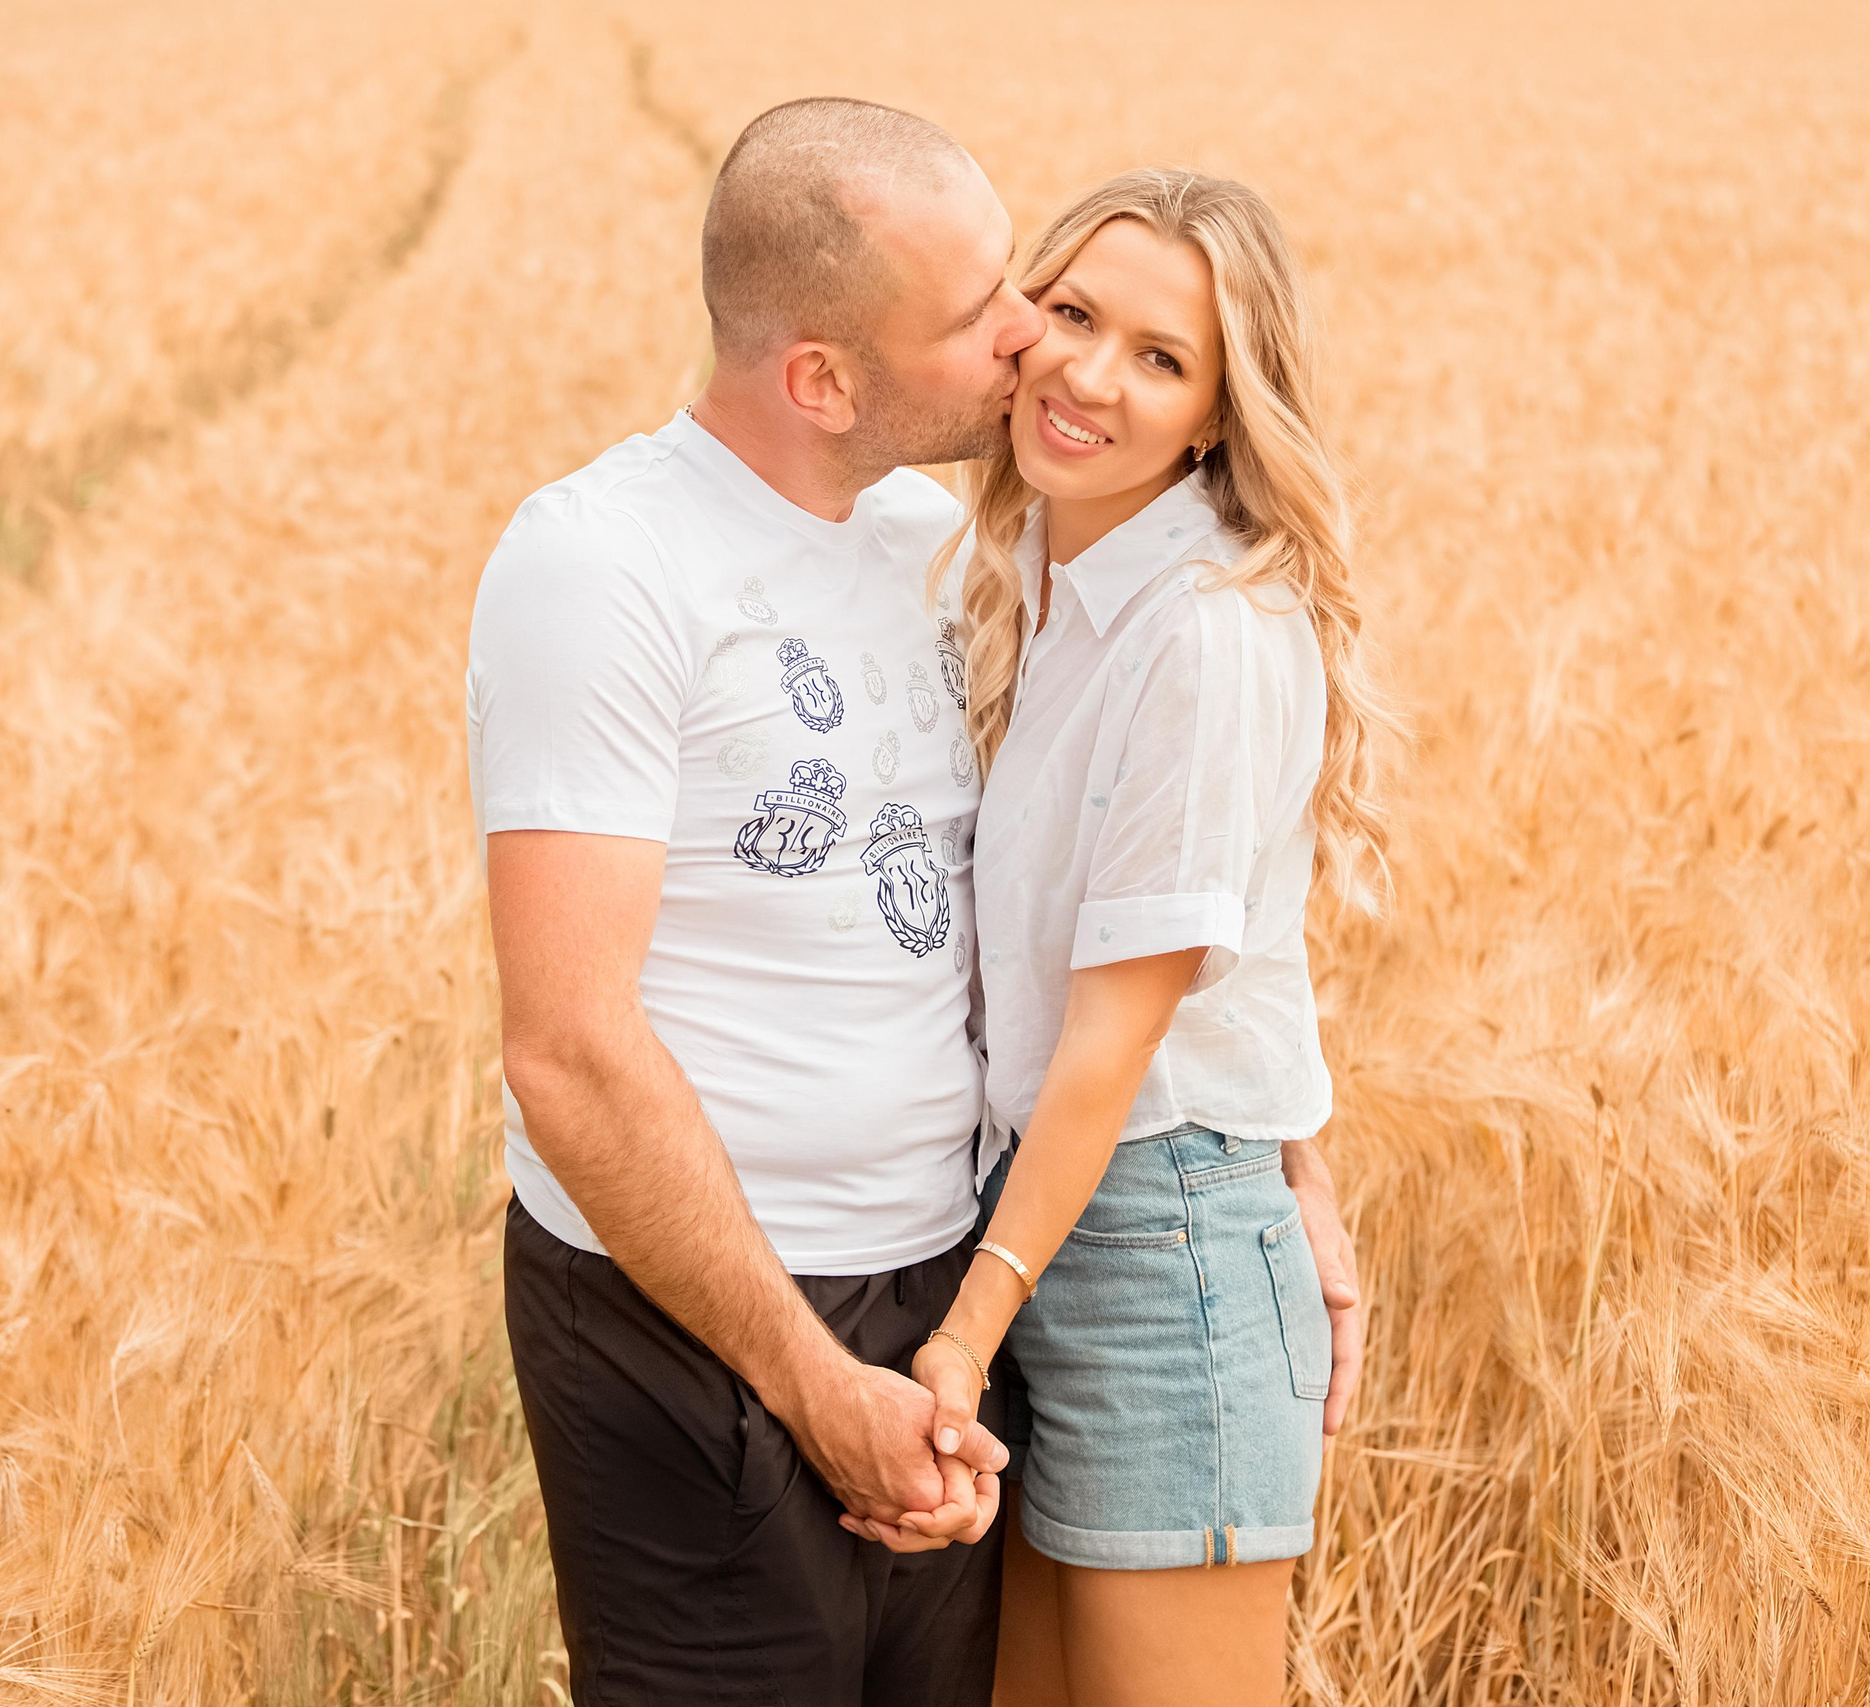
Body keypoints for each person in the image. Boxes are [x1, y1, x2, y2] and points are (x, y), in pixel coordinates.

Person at [468, 100, 1362, 1703]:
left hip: (974, 1281)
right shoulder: (631, 563)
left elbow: (1160, 924)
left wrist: (1273, 1144)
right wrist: (827, 1383)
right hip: (717, 1313)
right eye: (1010, 308)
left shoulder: (957, 550)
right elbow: (568, 1051)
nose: (1036, 344)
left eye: (1150, 350)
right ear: (825, 380)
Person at [878, 170, 1395, 1706]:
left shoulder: (1204, 630)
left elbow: (1121, 1030)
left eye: (1161, 358)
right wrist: (1302, 1154)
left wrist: (965, 1332)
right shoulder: (1046, 581)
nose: (1091, 376)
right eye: (1076, 315)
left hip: (1159, 1264)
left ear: (1220, 416)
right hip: (1051, 1221)